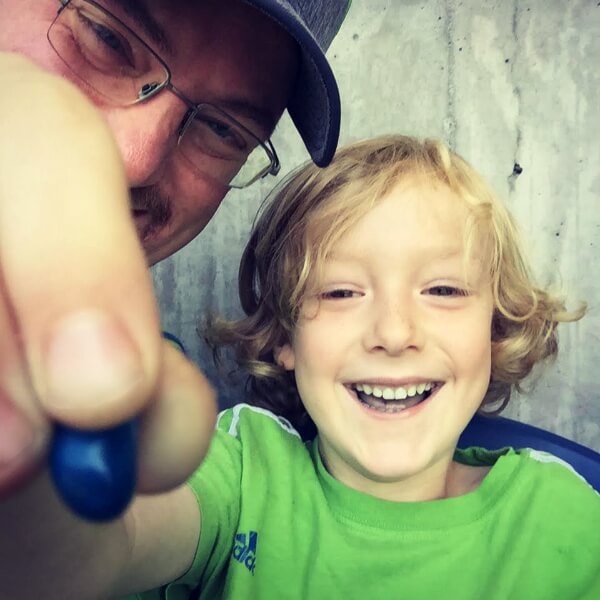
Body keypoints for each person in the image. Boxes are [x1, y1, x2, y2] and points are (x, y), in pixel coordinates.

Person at [0, 1, 349, 597]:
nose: (136, 159)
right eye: (106, 38)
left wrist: (42, 523)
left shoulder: (132, 403)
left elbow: (96, 549)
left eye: (224, 130)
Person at [198, 135, 599, 599]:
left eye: (443, 290)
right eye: (340, 293)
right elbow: (135, 532)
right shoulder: (243, 475)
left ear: (494, 329)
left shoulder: (560, 520)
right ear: (285, 337)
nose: (393, 334)